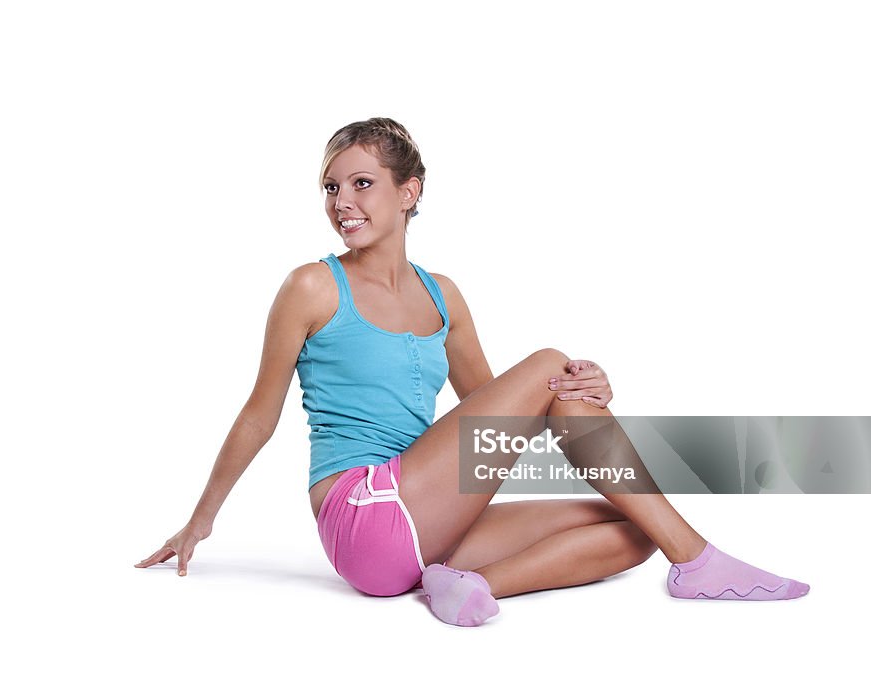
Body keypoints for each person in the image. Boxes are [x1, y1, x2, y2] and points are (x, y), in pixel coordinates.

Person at [136, 117, 810, 626]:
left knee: (634, 530)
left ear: (410, 191)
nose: (343, 200)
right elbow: (260, 412)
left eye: (362, 183)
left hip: (430, 521)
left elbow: (495, 420)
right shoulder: (312, 286)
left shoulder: (443, 295)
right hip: (362, 512)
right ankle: (699, 559)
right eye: (332, 187)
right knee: (549, 363)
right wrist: (201, 519)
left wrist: (586, 391)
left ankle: (467, 582)